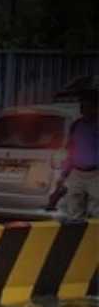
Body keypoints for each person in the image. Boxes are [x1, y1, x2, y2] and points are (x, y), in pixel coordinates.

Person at [54, 90, 99, 220]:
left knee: (95, 211)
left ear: (95, 108)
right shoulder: (77, 126)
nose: (83, 109)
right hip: (77, 173)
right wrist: (63, 175)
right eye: (82, 106)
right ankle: (78, 237)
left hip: (95, 174)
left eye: (87, 106)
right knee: (74, 208)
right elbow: (70, 150)